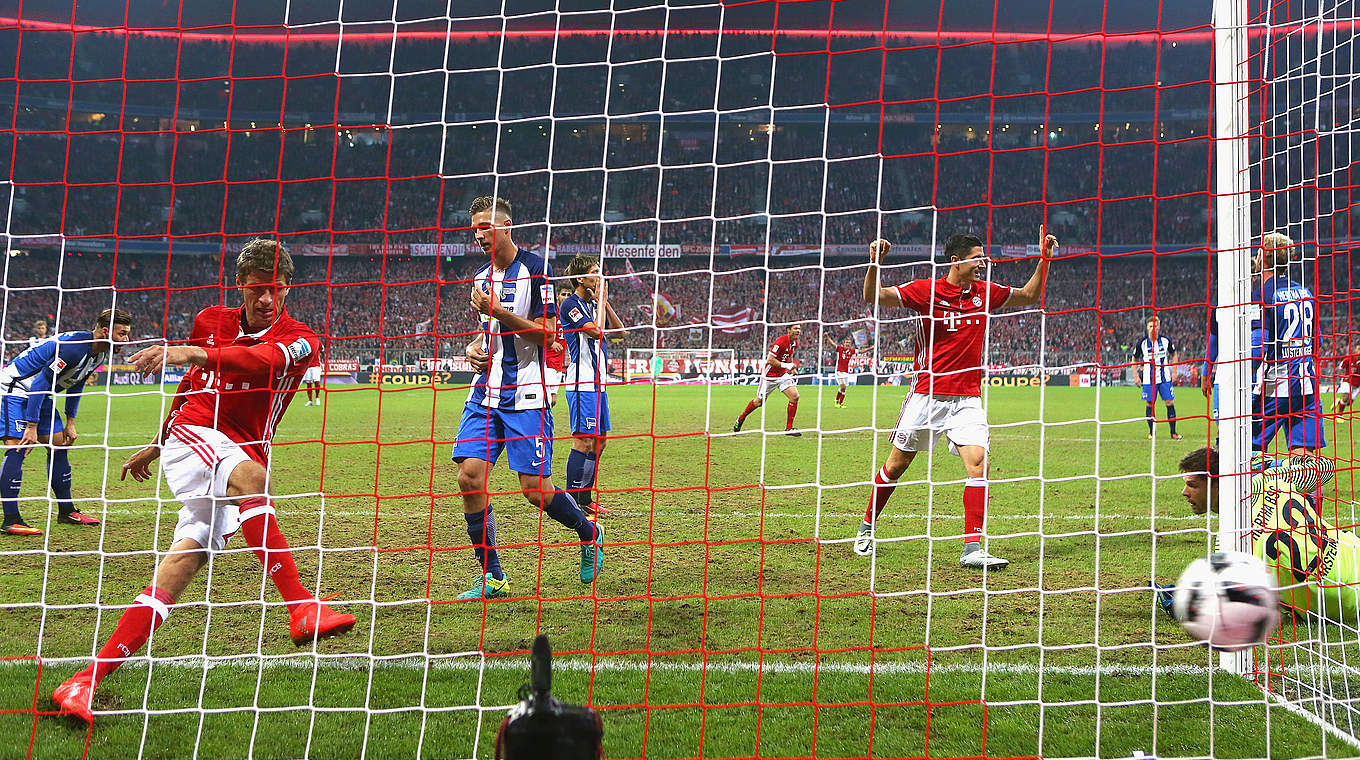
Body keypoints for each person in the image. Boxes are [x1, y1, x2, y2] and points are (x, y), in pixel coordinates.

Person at [50, 240, 356, 723]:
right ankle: (301, 609)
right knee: (255, 479)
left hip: (235, 450)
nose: (265, 299)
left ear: (288, 288)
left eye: (275, 289)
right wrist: (157, 440)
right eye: (257, 288)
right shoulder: (210, 318)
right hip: (197, 434)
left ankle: (83, 681)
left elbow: (259, 363)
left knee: (182, 565)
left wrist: (192, 351)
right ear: (241, 285)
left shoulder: (302, 338)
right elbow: (192, 386)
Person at [856, 227, 1055, 569]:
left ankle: (972, 547)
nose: (983, 262)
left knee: (978, 464)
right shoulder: (926, 290)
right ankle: (866, 527)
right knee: (896, 466)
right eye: (977, 258)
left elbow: (1028, 296)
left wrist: (1044, 260)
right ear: (956, 261)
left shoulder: (984, 293)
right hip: (926, 396)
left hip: (967, 399)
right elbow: (875, 297)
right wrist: (874, 264)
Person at [455, 196, 604, 601]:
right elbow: (490, 334)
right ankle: (494, 578)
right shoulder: (480, 278)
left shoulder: (538, 271)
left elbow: (548, 335)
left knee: (534, 489)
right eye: (475, 228)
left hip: (527, 392)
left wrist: (499, 313)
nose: (479, 234)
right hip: (485, 391)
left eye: (486, 226)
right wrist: (472, 349)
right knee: (469, 477)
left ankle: (588, 532)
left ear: (506, 226)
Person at [1156, 447, 1359, 625]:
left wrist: (1180, 605)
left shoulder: (1230, 543)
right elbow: (1325, 468)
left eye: (1192, 485)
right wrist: (1274, 464)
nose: (1184, 492)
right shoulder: (1270, 481)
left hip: (1343, 607)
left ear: (1217, 484)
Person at [0, 309, 132, 534]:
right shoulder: (74, 348)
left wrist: (71, 421)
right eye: (122, 333)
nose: (126, 339)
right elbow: (41, 382)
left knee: (59, 444)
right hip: (15, 389)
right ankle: (11, 519)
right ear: (104, 331)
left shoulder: (98, 352)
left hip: (39, 394)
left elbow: (77, 383)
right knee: (18, 447)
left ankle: (66, 511)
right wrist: (31, 427)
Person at [1202, 233, 1323, 456]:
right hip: (1307, 385)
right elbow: (1317, 343)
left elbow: (1257, 353)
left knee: (1247, 447)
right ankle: (1304, 492)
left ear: (1263, 257)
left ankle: (1255, 490)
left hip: (1274, 387)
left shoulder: (1262, 295)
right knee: (1303, 452)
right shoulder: (1306, 293)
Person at [559, 255, 625, 516]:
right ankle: (572, 501)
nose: (600, 277)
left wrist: (603, 303)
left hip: (599, 384)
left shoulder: (592, 305)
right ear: (580, 278)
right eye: (595, 273)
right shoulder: (570, 305)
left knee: (600, 442)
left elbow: (619, 332)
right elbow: (596, 332)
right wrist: (600, 302)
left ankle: (584, 498)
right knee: (584, 441)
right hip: (580, 382)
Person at [732, 324, 803, 436]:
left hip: (782, 375)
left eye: (799, 329)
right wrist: (786, 365)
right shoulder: (780, 342)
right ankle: (741, 418)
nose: (798, 331)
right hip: (769, 376)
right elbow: (770, 360)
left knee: (795, 396)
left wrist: (791, 368)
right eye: (795, 328)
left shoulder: (794, 343)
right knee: (759, 402)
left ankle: (789, 429)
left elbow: (789, 355)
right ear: (788, 330)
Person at [1135, 315, 1182, 440]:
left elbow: (1174, 355)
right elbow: (1135, 358)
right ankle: (1152, 432)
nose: (1153, 328)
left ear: (1159, 327)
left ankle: (1173, 432)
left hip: (1164, 378)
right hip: (1148, 379)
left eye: (1155, 326)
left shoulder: (1166, 341)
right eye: (1150, 326)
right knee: (1150, 403)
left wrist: (1174, 372)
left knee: (1170, 402)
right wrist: (1136, 376)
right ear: (1147, 327)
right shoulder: (1142, 343)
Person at [826, 335, 857, 408]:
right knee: (842, 387)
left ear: (851, 344)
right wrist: (827, 337)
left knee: (843, 388)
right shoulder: (840, 349)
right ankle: (837, 402)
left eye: (849, 343)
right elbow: (833, 344)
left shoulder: (851, 351)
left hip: (846, 372)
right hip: (839, 371)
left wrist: (871, 348)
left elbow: (861, 351)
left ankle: (839, 403)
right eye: (846, 342)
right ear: (844, 343)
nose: (847, 344)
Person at [1332, 336, 1360, 414]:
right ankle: (1339, 415)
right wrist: (1344, 376)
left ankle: (1338, 402)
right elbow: (1340, 368)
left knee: (1348, 403)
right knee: (1345, 398)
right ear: (1355, 350)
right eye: (1358, 349)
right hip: (1347, 381)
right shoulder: (1349, 359)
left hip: (1356, 384)